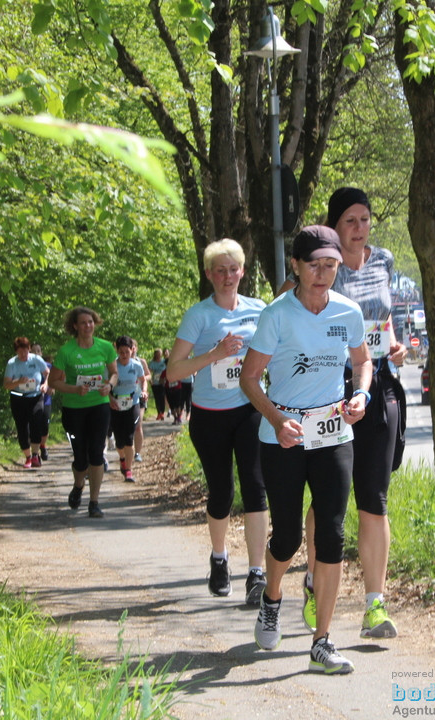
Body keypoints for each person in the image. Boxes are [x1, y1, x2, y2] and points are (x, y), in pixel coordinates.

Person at [241, 225, 372, 675]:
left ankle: (322, 641)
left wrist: (362, 394)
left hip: (333, 432)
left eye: (330, 265)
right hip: (284, 435)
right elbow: (249, 378)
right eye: (313, 265)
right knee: (290, 537)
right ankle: (272, 598)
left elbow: (363, 360)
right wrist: (277, 419)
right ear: (295, 266)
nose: (322, 274)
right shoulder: (277, 315)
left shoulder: (348, 312)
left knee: (333, 533)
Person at [282, 187, 408, 641]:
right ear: (335, 225)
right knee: (328, 500)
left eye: (365, 220)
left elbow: (382, 319)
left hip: (375, 388)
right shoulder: (321, 267)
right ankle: (318, 583)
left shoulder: (384, 261)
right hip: (324, 394)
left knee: (374, 498)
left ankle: (375, 605)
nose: (359, 229)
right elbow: (290, 310)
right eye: (350, 221)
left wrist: (394, 346)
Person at [166, 239, 269, 604]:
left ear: (243, 271)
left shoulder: (259, 310)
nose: (227, 277)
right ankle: (220, 557)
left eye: (233, 269)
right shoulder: (200, 315)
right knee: (222, 492)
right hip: (210, 417)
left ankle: (257, 573)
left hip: (251, 410)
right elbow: (172, 371)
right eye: (220, 270)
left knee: (256, 487)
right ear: (209, 275)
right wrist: (213, 354)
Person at [48, 307, 119, 518]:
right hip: (74, 409)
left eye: (91, 322)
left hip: (99, 405)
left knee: (96, 453)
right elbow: (54, 381)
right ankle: (78, 486)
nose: (88, 326)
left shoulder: (105, 347)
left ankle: (94, 502)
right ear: (75, 326)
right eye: (83, 323)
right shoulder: (66, 352)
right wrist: (75, 389)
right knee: (80, 457)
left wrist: (110, 386)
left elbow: (114, 373)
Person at [3, 337, 50, 469]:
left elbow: (47, 373)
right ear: (16, 352)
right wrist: (18, 382)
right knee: (22, 427)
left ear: (29, 349)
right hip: (18, 397)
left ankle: (35, 455)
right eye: (20, 352)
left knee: (36, 422)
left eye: (25, 351)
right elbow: (6, 385)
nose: (23, 354)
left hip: (35, 395)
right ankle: (28, 457)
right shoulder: (12, 363)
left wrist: (45, 385)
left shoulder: (36, 359)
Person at [109, 335, 147, 482]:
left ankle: (129, 470)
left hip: (133, 403)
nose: (124, 355)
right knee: (119, 441)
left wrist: (144, 391)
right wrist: (110, 399)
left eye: (127, 352)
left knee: (129, 438)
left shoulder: (136, 365)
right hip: (116, 405)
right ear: (117, 351)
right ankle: (122, 458)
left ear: (132, 350)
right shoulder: (112, 366)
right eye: (121, 352)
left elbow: (143, 381)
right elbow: (106, 386)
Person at [31, 343, 52, 460]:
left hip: (46, 401)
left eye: (38, 351)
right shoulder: (26, 367)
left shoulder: (48, 366)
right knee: (34, 426)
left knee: (44, 427)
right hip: (32, 400)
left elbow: (54, 380)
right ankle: (35, 453)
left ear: (41, 353)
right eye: (33, 351)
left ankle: (43, 445)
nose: (36, 353)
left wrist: (51, 388)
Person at [131, 342, 149, 462]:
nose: (131, 350)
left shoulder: (141, 361)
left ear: (136, 348)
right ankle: (127, 450)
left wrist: (141, 379)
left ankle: (137, 453)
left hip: (139, 397)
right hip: (125, 397)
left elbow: (148, 376)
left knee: (138, 425)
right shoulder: (118, 362)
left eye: (133, 347)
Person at [149, 349, 167, 421]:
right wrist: (151, 381)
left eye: (160, 353)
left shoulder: (164, 361)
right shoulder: (152, 363)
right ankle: (158, 413)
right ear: (155, 354)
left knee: (162, 398)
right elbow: (149, 372)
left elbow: (167, 369)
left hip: (163, 382)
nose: (159, 355)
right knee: (157, 398)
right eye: (157, 353)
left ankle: (162, 412)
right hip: (155, 383)